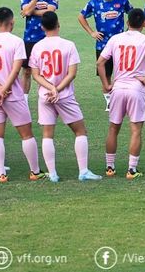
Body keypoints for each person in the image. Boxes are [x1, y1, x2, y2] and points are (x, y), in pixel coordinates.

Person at [29, 11, 101, 182]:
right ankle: (83, 171)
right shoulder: (68, 45)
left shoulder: (37, 46)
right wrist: (58, 89)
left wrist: (50, 88)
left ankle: (52, 173)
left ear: (42, 27)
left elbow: (36, 75)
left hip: (45, 95)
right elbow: (72, 73)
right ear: (58, 24)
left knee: (47, 134)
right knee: (80, 131)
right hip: (65, 95)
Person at [0, 7, 45, 183]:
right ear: (12, 22)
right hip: (13, 94)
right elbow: (16, 70)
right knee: (26, 134)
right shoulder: (16, 41)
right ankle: (35, 171)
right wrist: (5, 89)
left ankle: (1, 173)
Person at [98, 8, 145, 180]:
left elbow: (100, 62)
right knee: (135, 130)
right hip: (136, 88)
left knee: (113, 128)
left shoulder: (116, 39)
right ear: (143, 23)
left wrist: (106, 84)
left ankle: (110, 167)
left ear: (127, 23)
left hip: (118, 87)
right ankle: (132, 170)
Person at [78, 0, 132, 110]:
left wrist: (128, 31)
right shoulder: (94, 3)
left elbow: (133, 14)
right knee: (105, 73)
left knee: (121, 72)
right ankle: (109, 101)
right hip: (102, 44)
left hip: (120, 44)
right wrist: (91, 32)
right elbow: (81, 16)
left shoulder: (122, 1)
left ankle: (120, 98)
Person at [20, 0, 58, 98]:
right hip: (30, 38)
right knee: (26, 70)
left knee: (49, 70)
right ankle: (24, 100)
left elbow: (50, 11)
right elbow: (27, 11)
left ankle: (48, 94)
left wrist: (30, 11)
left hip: (48, 38)